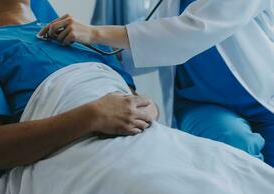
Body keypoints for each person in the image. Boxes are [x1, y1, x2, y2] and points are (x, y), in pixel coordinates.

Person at [40, 0, 274, 167]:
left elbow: (196, 29)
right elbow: (153, 47)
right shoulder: (167, 4)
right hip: (203, 104)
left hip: (265, 92)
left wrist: (94, 33)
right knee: (231, 144)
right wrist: (87, 52)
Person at [0, 0, 159, 175]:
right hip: (88, 163)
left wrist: (152, 110)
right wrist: (93, 115)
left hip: (152, 144)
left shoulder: (86, 36)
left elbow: (137, 102)